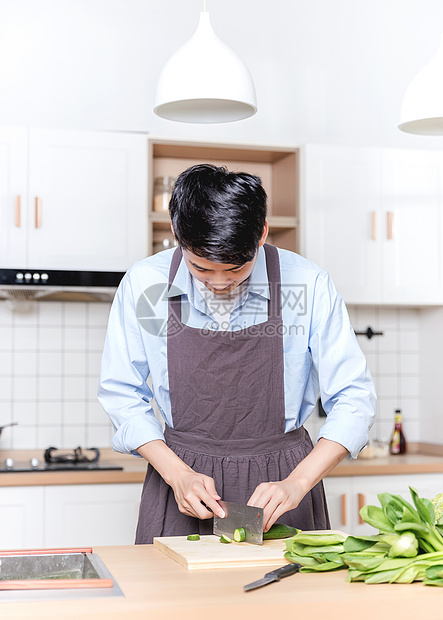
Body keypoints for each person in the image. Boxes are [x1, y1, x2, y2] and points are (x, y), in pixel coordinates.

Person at [98, 163, 376, 543]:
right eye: (200, 269)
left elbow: (354, 400)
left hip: (284, 482)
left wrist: (297, 484)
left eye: (235, 270)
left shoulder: (308, 283)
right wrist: (177, 474)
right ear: (177, 235)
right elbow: (122, 392)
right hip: (181, 478)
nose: (218, 284)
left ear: (261, 234)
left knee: (292, 603)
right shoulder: (144, 283)